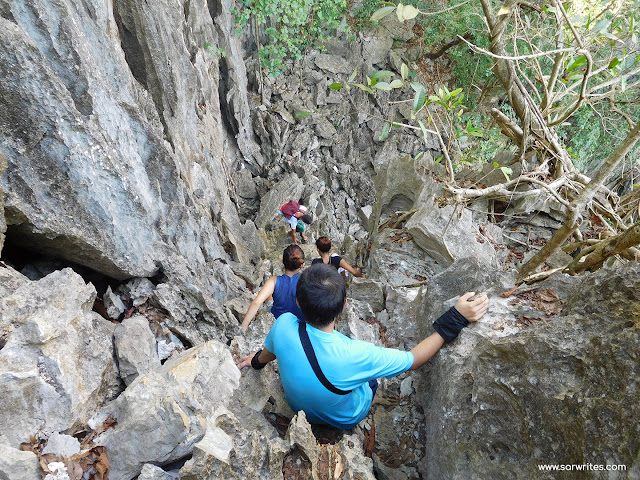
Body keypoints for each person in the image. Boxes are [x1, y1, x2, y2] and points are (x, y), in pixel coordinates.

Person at [236, 263, 489, 429]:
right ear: (344, 307)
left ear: (298, 302)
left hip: (296, 407)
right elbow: (414, 359)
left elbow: (267, 355)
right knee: (370, 381)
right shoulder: (357, 354)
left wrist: (253, 361)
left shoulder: (283, 325)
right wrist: (455, 317)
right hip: (345, 418)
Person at [240, 245, 305, 333]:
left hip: (278, 323)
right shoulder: (306, 281)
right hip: (300, 325)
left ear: (282, 260)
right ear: (301, 265)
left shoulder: (274, 281)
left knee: (268, 294)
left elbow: (256, 303)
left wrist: (243, 328)